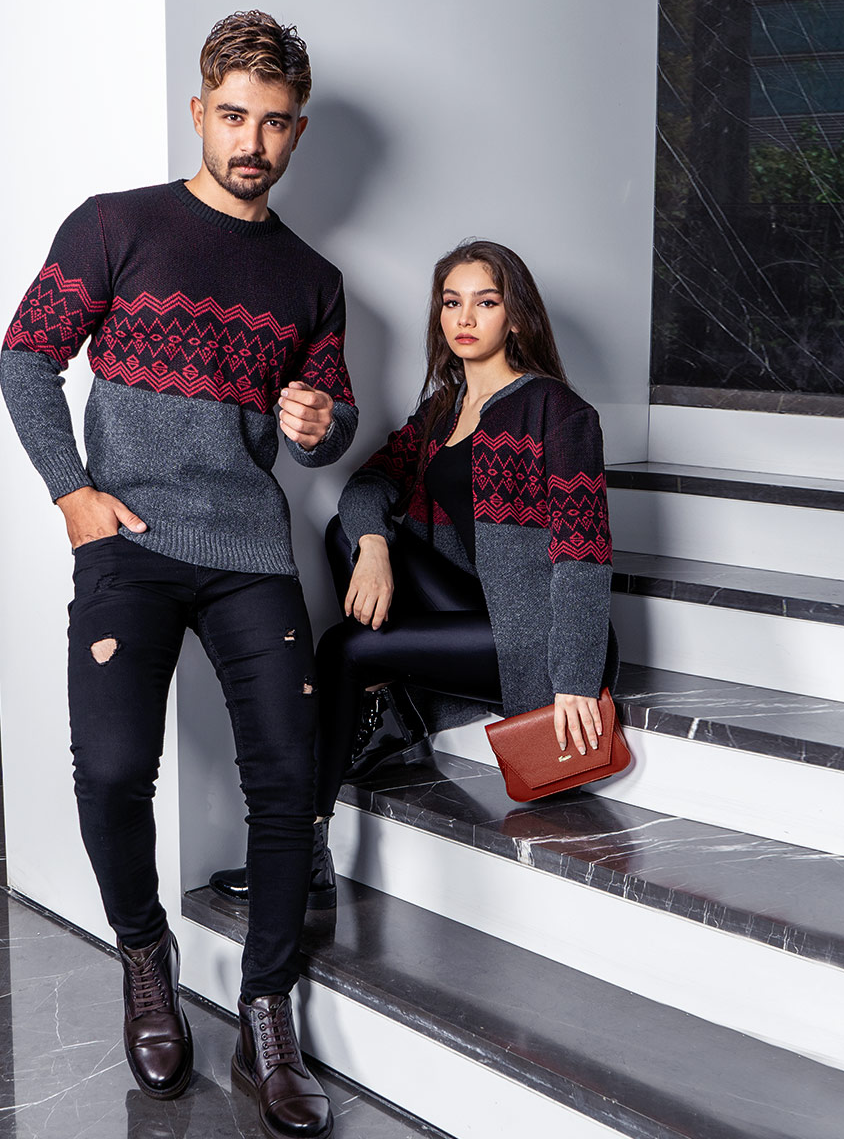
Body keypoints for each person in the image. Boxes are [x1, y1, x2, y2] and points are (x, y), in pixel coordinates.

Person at [0, 10, 355, 1139]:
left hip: (251, 551)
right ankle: (145, 961)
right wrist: (73, 493)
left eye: (275, 123)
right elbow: (26, 354)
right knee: (111, 769)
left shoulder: (312, 280)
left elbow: (329, 420)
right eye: (234, 116)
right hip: (131, 540)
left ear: (298, 132)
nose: (253, 142)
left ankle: (268, 1018)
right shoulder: (117, 225)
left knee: (288, 781)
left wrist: (320, 423)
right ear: (199, 111)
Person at [211, 239, 617, 910]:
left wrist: (574, 677)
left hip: (541, 632)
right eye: (452, 303)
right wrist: (374, 544)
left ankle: (300, 850)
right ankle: (386, 715)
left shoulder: (557, 411)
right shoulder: (441, 411)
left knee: (344, 647)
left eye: (486, 302)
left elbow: (584, 549)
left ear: (516, 317)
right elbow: (370, 481)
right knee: (349, 530)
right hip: (474, 608)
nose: (466, 318)